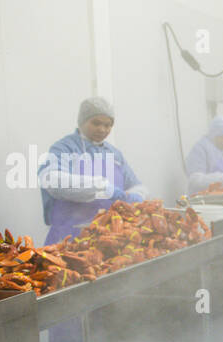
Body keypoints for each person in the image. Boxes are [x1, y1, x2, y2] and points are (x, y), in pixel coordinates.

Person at [37, 97, 147, 245]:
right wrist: (102, 188)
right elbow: (53, 180)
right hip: (69, 236)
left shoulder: (114, 154)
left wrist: (136, 196)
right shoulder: (65, 148)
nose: (102, 129)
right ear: (82, 121)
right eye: (96, 123)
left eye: (108, 125)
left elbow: (136, 185)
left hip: (108, 238)